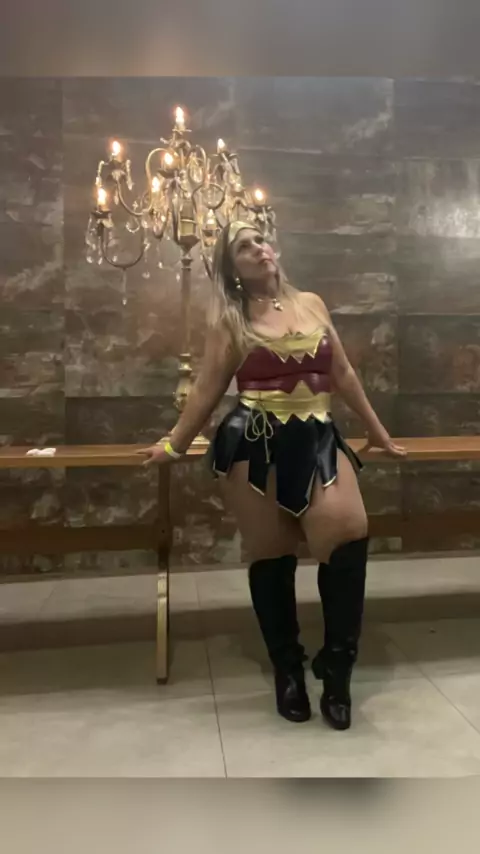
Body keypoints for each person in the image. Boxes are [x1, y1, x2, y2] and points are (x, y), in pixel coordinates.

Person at [140, 221, 406, 731]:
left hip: (319, 436)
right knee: (272, 553)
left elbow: (343, 373)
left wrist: (378, 432)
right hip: (254, 444)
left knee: (348, 534)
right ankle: (287, 668)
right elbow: (207, 389)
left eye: (260, 239)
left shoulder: (313, 303)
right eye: (244, 246)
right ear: (232, 268)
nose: (259, 248)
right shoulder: (232, 321)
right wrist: (174, 444)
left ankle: (338, 668)